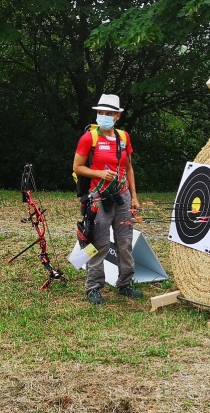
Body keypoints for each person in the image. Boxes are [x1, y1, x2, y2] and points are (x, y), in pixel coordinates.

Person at [73, 94, 143, 304]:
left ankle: (125, 284)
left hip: (122, 196)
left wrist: (134, 197)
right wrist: (99, 174)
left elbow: (129, 168)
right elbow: (77, 167)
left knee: (125, 241)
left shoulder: (124, 137)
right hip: (98, 197)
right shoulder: (89, 138)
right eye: (100, 113)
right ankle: (94, 287)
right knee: (99, 242)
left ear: (117, 116)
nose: (104, 116)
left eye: (109, 113)